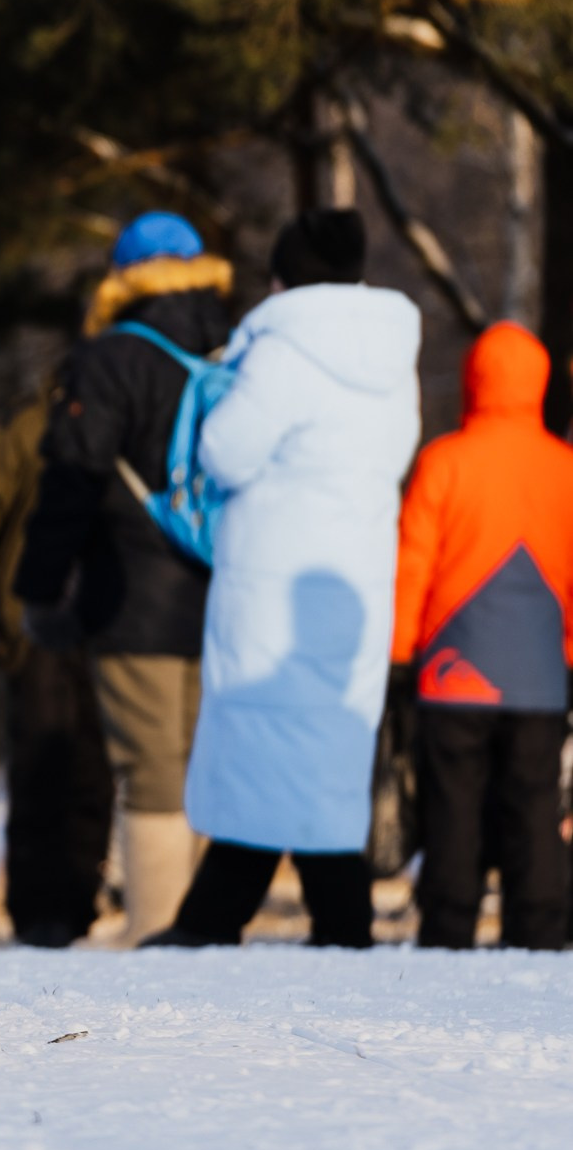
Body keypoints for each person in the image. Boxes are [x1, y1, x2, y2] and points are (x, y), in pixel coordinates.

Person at [149, 209, 420, 947]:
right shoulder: (391, 357)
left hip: (274, 581)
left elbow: (228, 450)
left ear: (285, 275)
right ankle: (328, 919)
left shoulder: (283, 348)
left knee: (263, 743)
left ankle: (223, 920)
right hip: (352, 577)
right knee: (326, 749)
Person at [13, 210, 236, 941]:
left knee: (150, 773)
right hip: (221, 591)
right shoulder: (231, 349)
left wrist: (40, 587)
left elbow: (71, 480)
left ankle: (163, 937)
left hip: (131, 594)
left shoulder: (111, 358)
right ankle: (205, 934)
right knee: (200, 766)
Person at [391, 321, 573, 950]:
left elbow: (412, 563)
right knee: (534, 811)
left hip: (453, 672)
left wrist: (399, 653)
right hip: (541, 680)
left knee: (453, 811)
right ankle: (541, 934)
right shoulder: (565, 468)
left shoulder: (444, 460)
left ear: (473, 378)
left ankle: (448, 931)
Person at [0, 389, 115, 946]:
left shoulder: (136, 415)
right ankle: (36, 908)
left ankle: (78, 899)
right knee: (42, 764)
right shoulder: (29, 425)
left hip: (111, 622)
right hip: (32, 618)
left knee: (96, 768)